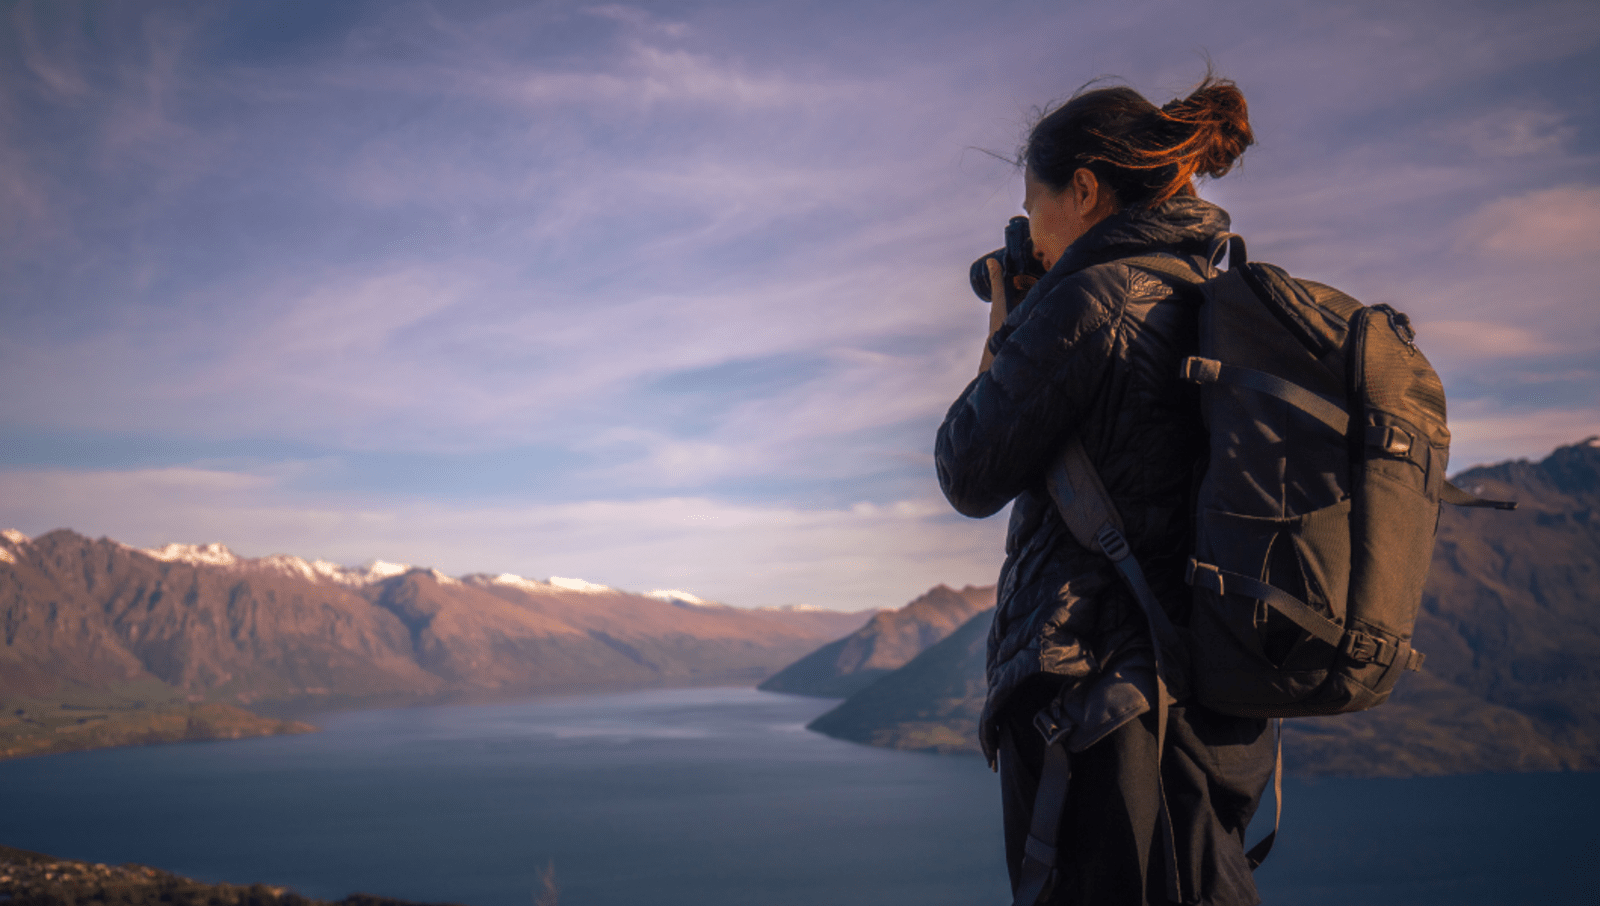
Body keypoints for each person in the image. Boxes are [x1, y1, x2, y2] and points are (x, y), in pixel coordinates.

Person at [935, 78, 1278, 906]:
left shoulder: (1092, 300)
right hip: (1193, 701)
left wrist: (1009, 325)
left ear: (1084, 189)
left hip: (1094, 704)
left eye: (1034, 203)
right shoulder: (1205, 294)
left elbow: (967, 468)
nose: (1034, 235)